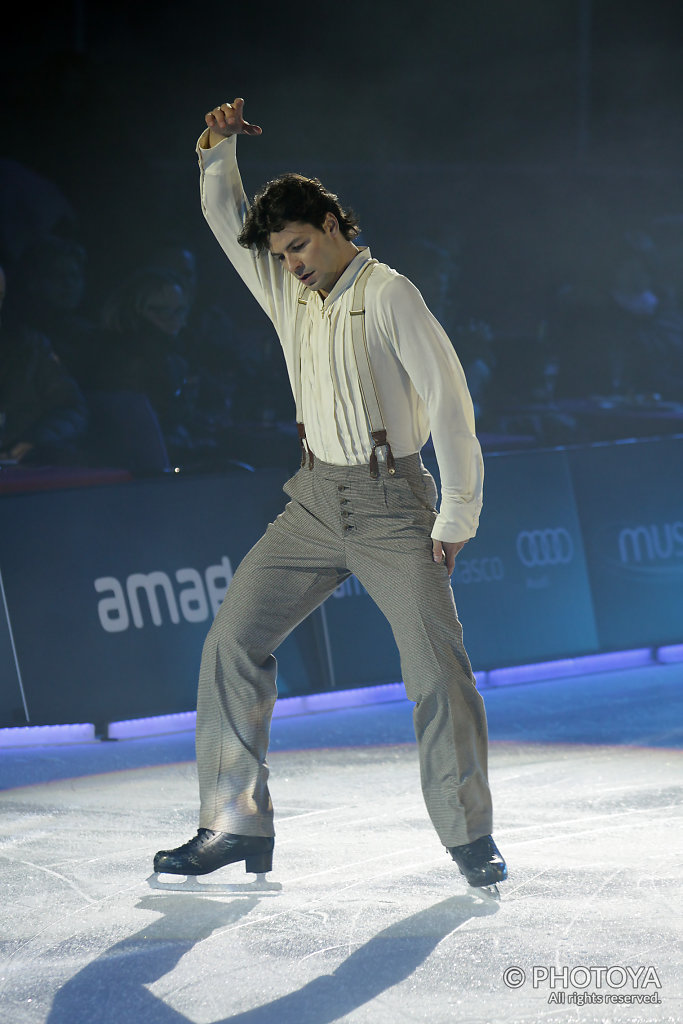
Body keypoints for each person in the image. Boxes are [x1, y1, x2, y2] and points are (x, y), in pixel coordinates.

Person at [153, 98, 507, 892]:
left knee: (437, 672)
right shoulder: (288, 292)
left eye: (299, 244)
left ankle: (467, 835)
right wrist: (216, 147)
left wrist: (456, 515)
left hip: (392, 507)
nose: (291, 263)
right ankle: (234, 824)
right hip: (312, 502)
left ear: (331, 221)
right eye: (279, 253)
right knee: (230, 644)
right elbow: (222, 217)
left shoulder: (390, 294)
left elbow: (450, 404)